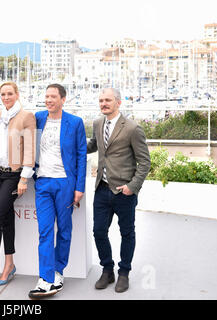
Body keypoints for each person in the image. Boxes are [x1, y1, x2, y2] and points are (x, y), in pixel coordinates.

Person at [87, 88, 151, 293]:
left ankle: (124, 273)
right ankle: (107, 270)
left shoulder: (132, 128)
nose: (103, 103)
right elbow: (94, 145)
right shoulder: (98, 123)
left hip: (124, 192)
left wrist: (132, 187)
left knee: (127, 233)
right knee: (98, 232)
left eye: (107, 100)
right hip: (102, 189)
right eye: (101, 100)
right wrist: (69, 142)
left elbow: (145, 162)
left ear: (118, 102)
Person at [28, 83, 87, 299]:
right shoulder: (38, 118)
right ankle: (45, 278)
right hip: (42, 183)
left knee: (64, 229)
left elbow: (82, 155)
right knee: (45, 231)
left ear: (63, 99)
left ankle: (58, 271)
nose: (49, 100)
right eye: (46, 96)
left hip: (65, 183)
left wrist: (79, 187)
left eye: (53, 96)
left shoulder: (75, 122)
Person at [0, 82, 36, 288]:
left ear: (17, 94)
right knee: (5, 218)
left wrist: (24, 178)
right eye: (2, 94)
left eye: (9, 93)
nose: (6, 97)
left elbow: (29, 149)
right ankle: (10, 264)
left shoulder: (26, 116)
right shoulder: (0, 115)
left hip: (14, 175)